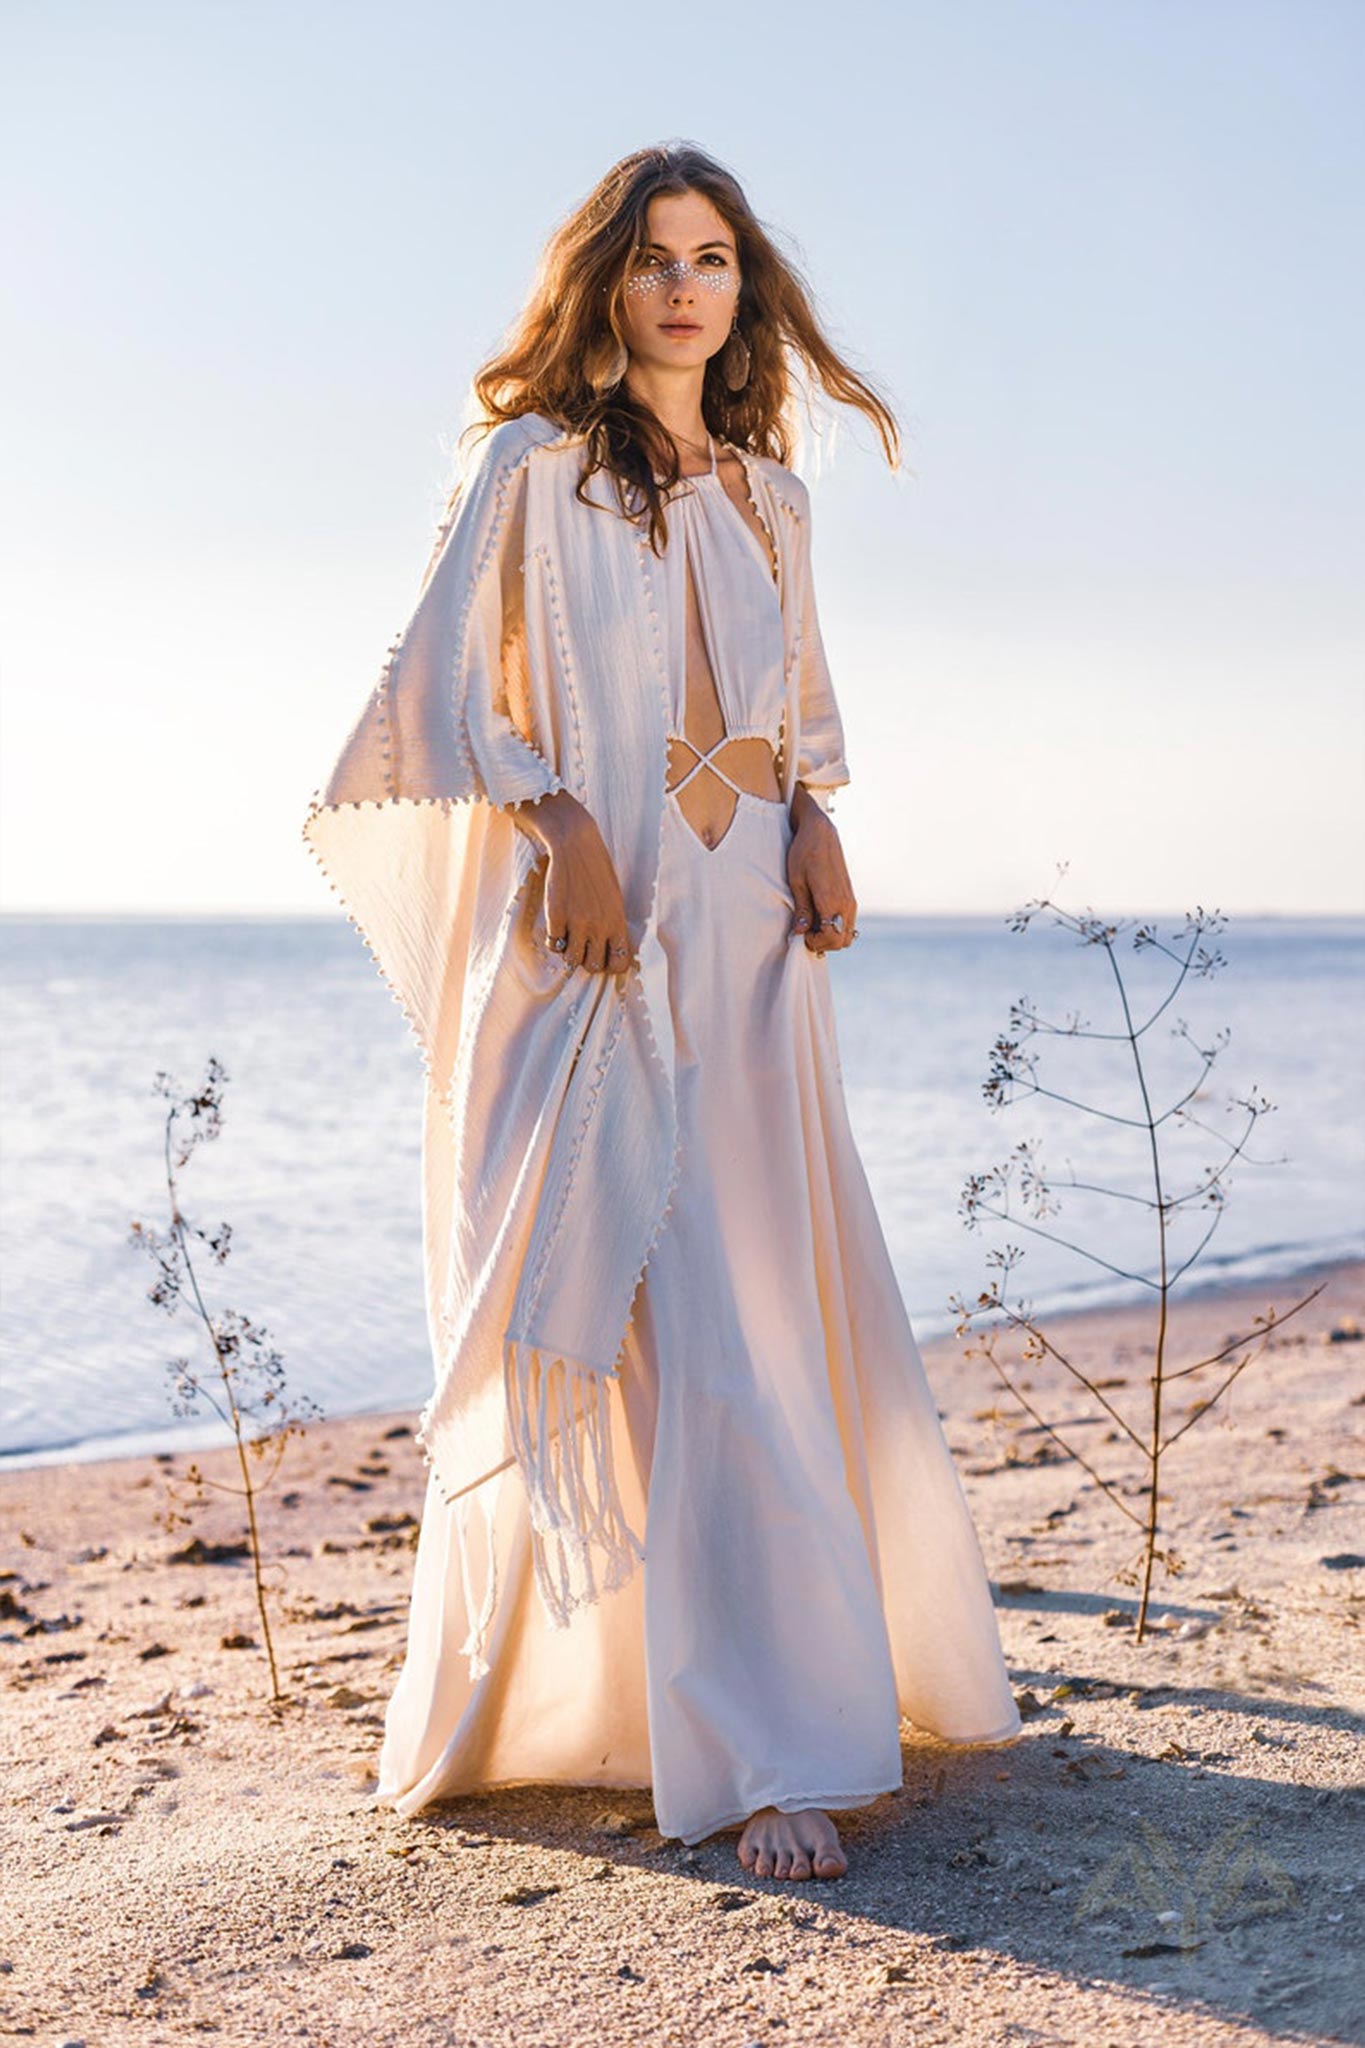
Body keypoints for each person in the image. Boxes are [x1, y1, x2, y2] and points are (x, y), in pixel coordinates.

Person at [302, 143, 1021, 1885]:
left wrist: (820, 819)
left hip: (755, 934)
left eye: (712, 259)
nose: (684, 286)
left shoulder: (772, 493)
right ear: (603, 286)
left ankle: (790, 1689)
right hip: (600, 942)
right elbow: (437, 697)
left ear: (743, 291)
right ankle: (760, 1741)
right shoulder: (532, 470)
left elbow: (797, 706)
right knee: (657, 1304)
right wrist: (558, 828)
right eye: (651, 259)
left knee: (772, 1310)